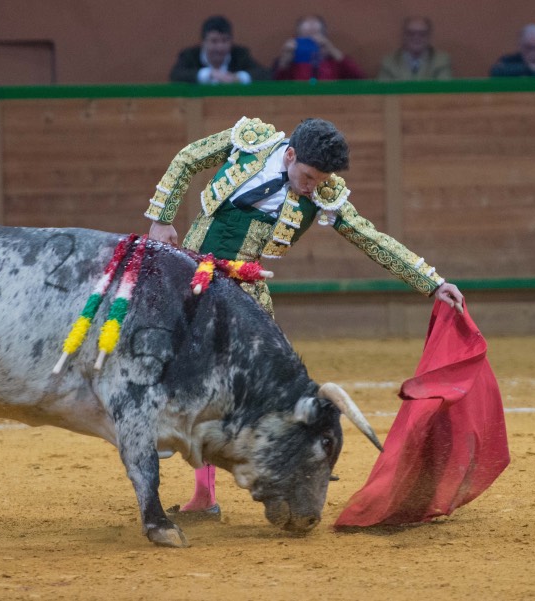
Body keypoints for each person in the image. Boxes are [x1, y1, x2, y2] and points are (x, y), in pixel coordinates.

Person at [145, 116, 464, 518]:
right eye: (308, 175)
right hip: (186, 273)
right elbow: (189, 157)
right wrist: (162, 218)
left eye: (319, 179)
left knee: (229, 390)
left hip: (243, 296)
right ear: (290, 154)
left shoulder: (322, 194)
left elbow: (369, 236)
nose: (312, 185)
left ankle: (220, 492)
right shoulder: (250, 142)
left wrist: (431, 282)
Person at [169, 15, 270, 84]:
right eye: (214, 41)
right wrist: (208, 74)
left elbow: (264, 74)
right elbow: (176, 75)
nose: (220, 47)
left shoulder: (240, 55)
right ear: (203, 42)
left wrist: (237, 78)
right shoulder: (190, 55)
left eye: (225, 41)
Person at [272, 15, 365, 80]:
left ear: (325, 38)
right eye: (306, 38)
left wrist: (332, 50)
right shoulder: (290, 62)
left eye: (316, 36)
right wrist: (285, 61)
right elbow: (275, 88)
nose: (312, 42)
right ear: (297, 39)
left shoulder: (335, 61)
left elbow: (359, 78)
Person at [378, 17, 452, 80]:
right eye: (411, 33)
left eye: (422, 34)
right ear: (403, 36)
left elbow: (444, 91)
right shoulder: (388, 62)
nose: (416, 38)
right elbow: (383, 93)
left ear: (429, 36)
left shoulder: (441, 60)